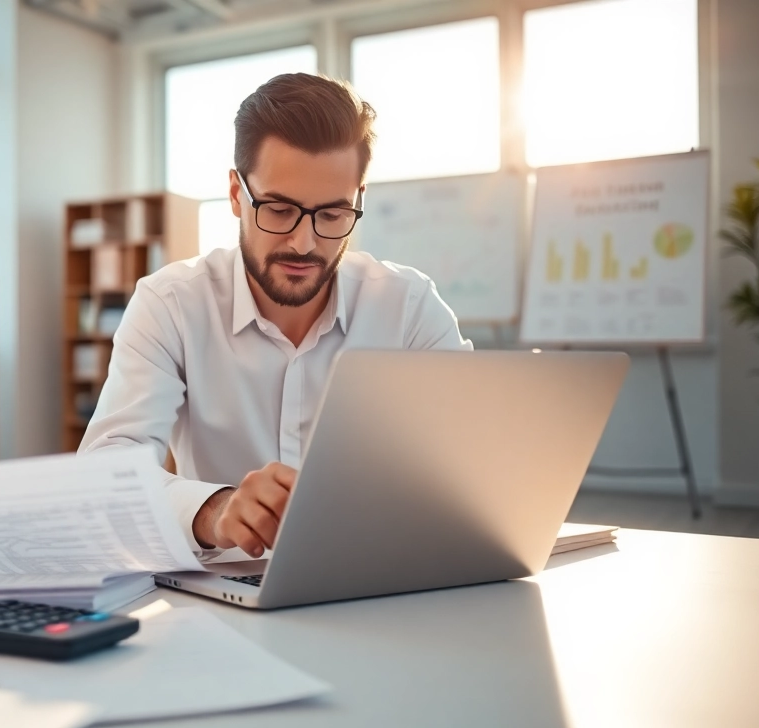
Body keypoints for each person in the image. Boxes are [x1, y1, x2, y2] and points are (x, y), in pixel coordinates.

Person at [79, 73, 471, 559]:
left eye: (332, 214)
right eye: (280, 209)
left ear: (358, 200)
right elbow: (105, 474)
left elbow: (470, 461)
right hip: (223, 595)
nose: (304, 243)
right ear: (235, 193)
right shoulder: (171, 305)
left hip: (378, 581)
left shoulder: (409, 307)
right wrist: (212, 511)